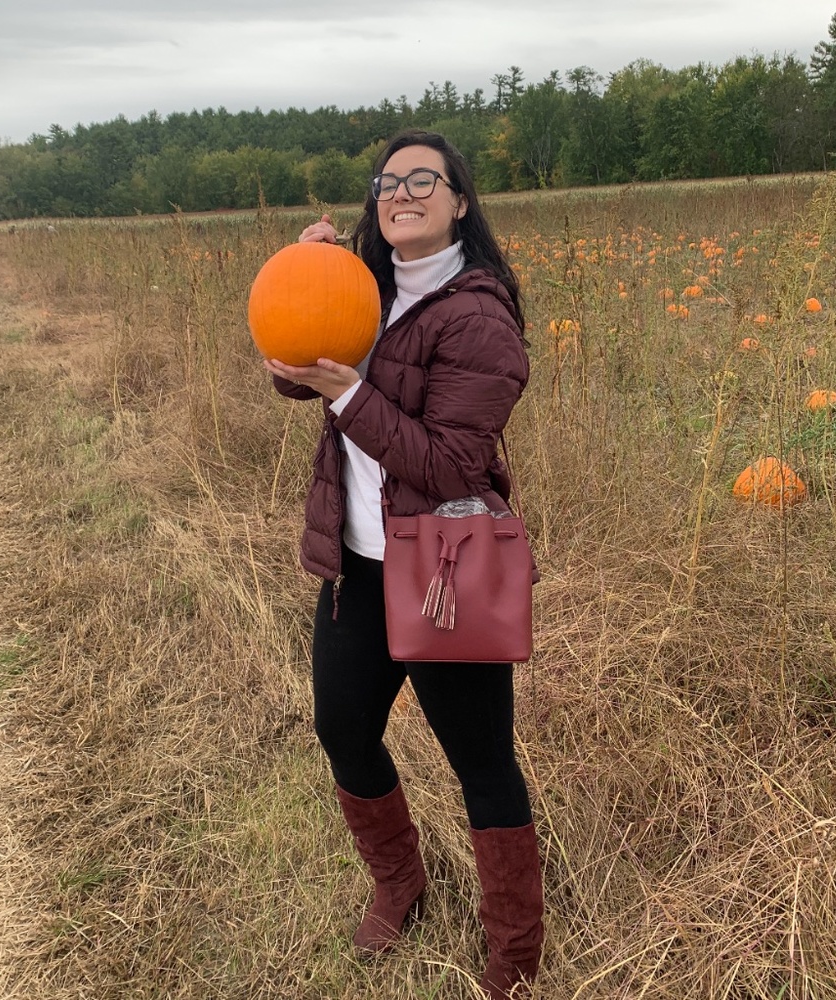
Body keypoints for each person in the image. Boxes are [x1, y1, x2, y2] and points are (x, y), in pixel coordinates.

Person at [264, 129, 543, 999]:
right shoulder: (366, 284)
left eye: (428, 179)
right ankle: (400, 881)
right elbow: (293, 377)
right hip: (357, 564)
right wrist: (306, 281)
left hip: (443, 572)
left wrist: (347, 391)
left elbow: (449, 463)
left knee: (481, 762)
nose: (403, 191)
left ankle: (516, 949)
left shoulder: (479, 314)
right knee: (343, 729)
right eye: (389, 181)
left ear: (461, 201)